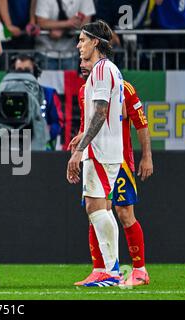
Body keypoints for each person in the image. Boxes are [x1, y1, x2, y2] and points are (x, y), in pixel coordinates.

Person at [70, 58, 153, 287]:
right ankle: (101, 269)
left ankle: (139, 270)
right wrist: (79, 139)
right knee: (95, 211)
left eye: (87, 59)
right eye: (82, 61)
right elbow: (88, 124)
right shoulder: (83, 91)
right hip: (95, 157)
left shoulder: (124, 89)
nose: (82, 63)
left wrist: (147, 156)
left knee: (124, 213)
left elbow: (141, 124)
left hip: (120, 159)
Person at [66, 20, 123, 287]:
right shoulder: (108, 70)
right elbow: (102, 113)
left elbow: (101, 113)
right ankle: (109, 269)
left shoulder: (101, 69)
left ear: (95, 42)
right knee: (97, 205)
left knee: (95, 205)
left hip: (101, 150)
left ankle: (111, 270)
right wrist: (82, 137)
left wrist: (80, 149)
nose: (78, 46)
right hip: (105, 147)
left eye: (82, 40)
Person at [12, 54, 64, 150]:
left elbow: (58, 123)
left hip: (42, 150)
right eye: (19, 71)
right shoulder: (7, 96)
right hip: (14, 150)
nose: (23, 74)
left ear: (35, 72)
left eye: (27, 70)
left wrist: (45, 132)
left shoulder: (49, 93)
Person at [35, 0, 95, 70]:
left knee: (70, 80)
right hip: (45, 52)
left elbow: (86, 22)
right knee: (45, 80)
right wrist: (68, 24)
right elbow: (41, 22)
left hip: (70, 52)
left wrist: (62, 29)